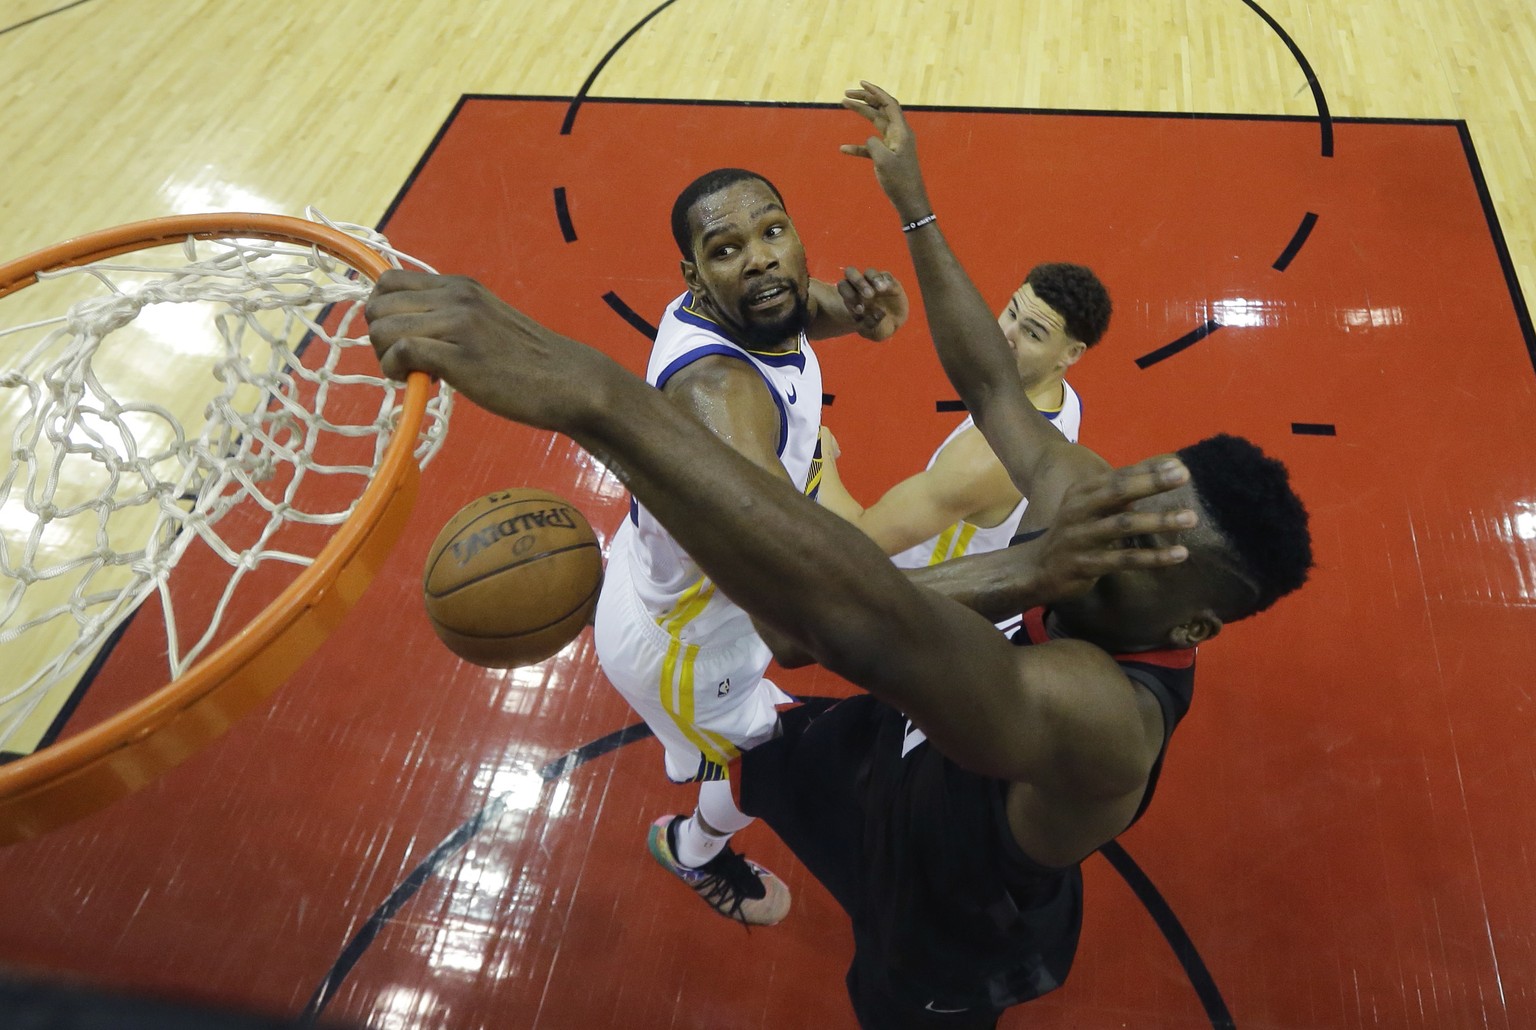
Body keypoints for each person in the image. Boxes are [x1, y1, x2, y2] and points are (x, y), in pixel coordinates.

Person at [363, 83, 1312, 1028]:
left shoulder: (1105, 720)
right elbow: (990, 384)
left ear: (1189, 622)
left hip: (943, 906)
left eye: (1141, 544)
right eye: (1136, 490)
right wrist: (915, 204)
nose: (1110, 522)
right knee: (765, 755)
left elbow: (843, 626)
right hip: (874, 736)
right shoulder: (1091, 518)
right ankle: (696, 847)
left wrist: (602, 399)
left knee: (893, 995)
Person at [589, 167, 910, 926]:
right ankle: (691, 851)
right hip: (690, 652)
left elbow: (800, 308)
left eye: (773, 231)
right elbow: (794, 623)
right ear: (694, 276)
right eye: (729, 249)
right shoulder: (716, 395)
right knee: (762, 762)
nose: (762, 259)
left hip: (691, 591)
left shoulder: (751, 306)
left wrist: (862, 319)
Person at [817, 261, 1110, 581]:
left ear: (1072, 354)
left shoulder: (985, 458)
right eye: (1012, 313)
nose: (1006, 336)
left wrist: (815, 445)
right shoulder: (1061, 399)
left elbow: (857, 539)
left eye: (1032, 333)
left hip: (921, 611)